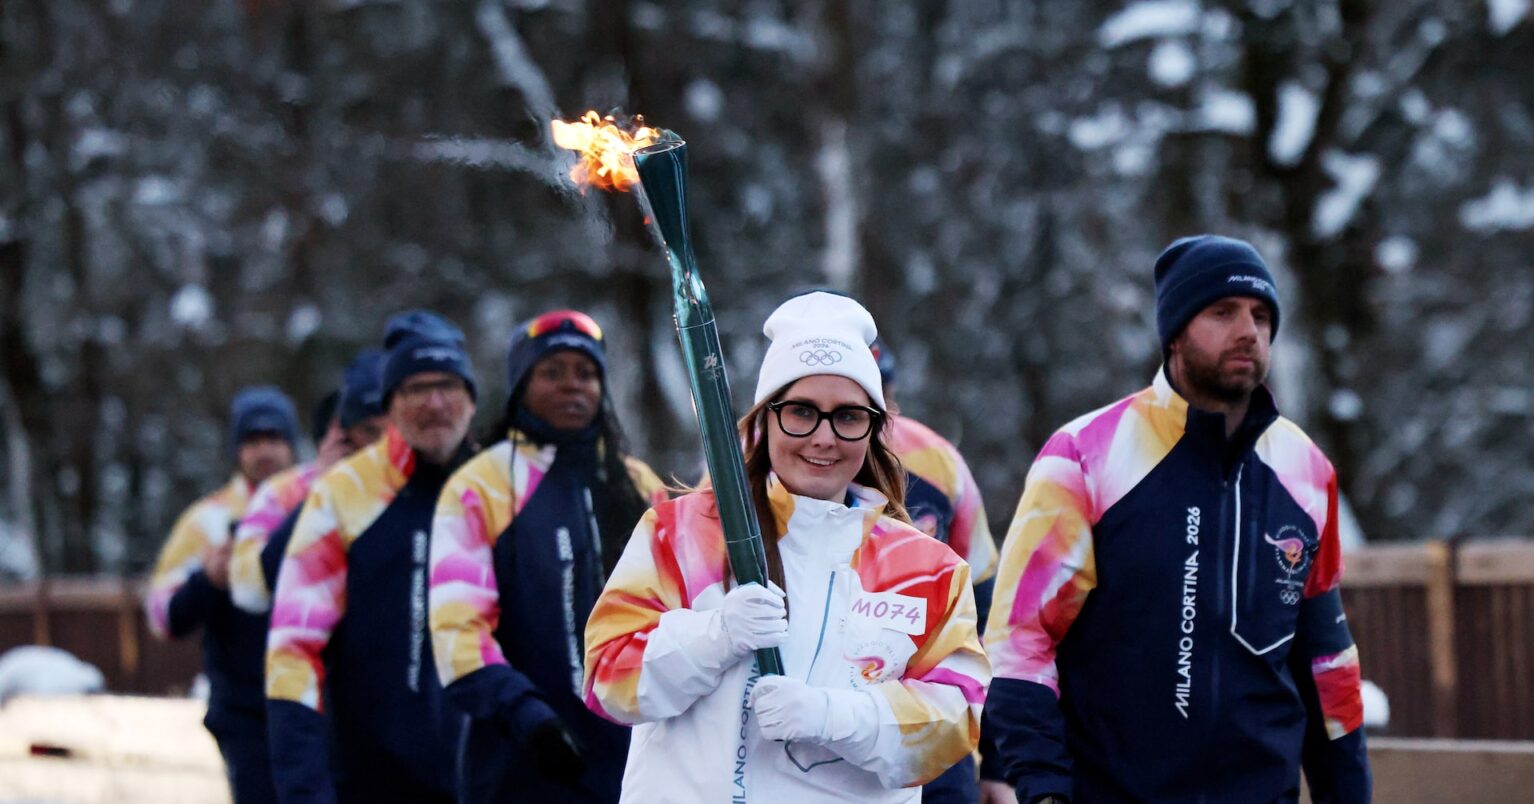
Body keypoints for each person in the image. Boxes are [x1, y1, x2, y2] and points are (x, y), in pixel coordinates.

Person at [984, 236, 1370, 803]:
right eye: (1223, 312)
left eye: (1261, 316)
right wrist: (1043, 788)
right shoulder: (1086, 454)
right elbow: (1021, 640)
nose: (1248, 331)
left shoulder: (1306, 469)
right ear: (1174, 333)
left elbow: (1327, 662)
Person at [584, 291, 989, 803]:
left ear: (874, 428)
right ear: (766, 417)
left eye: (848, 416)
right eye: (801, 411)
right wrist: (713, 636)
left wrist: (833, 716)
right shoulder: (683, 533)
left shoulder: (927, 570)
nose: (824, 437)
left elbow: (956, 718)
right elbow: (606, 679)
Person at [429, 310, 669, 802]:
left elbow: (676, 609)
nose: (572, 385)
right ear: (521, 385)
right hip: (520, 759)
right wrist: (527, 715)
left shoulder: (639, 484)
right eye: (552, 371)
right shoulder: (481, 484)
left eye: (586, 372)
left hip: (633, 767)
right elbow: (457, 631)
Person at [265, 311, 478, 803]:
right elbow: (293, 651)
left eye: (447, 385)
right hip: (369, 780)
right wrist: (305, 790)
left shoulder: (501, 485)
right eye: (416, 389)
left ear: (471, 398)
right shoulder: (344, 493)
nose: (435, 403)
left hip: (488, 781)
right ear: (392, 403)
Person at [145, 385, 301, 804]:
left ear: (292, 444)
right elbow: (163, 616)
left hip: (318, 705)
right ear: (236, 449)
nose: (264, 451)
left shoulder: (321, 504)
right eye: (253, 440)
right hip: (245, 713)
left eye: (274, 438)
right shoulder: (209, 519)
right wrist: (208, 581)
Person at [870, 339, 1006, 804]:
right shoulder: (748, 464)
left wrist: (998, 763)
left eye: (879, 396)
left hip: (935, 733)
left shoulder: (939, 462)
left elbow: (985, 617)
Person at [229, 350, 388, 615]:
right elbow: (249, 592)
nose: (384, 445)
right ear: (340, 432)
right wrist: (320, 493)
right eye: (369, 431)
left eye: (393, 430)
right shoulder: (281, 493)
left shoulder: (434, 484)